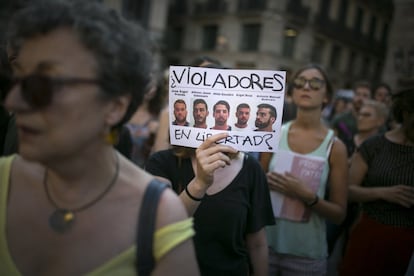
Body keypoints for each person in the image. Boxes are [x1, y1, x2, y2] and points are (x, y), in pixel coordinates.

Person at [0, 1, 199, 275]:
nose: (14, 101)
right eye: (17, 78)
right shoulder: (3, 181)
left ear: (114, 106)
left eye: (45, 84)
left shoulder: (159, 218)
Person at [145, 132, 275, 275]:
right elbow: (159, 227)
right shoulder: (161, 162)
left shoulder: (251, 168)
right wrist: (200, 183)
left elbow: (257, 244)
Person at [265, 64, 348, 275]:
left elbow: (339, 214)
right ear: (292, 93)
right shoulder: (272, 134)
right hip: (264, 248)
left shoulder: (335, 147)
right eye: (300, 82)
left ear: (327, 96)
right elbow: (255, 187)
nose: (306, 87)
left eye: (316, 83)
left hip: (306, 258)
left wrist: (306, 196)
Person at [339, 86, 414, 276]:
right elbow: (347, 190)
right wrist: (383, 193)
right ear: (405, 113)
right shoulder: (375, 146)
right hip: (370, 232)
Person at [126, 74, 167, 167]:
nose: (151, 89)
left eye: (154, 85)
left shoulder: (159, 114)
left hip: (144, 168)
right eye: (147, 84)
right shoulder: (124, 110)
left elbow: (159, 149)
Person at [331, 81, 372, 157]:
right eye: (358, 94)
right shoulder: (340, 119)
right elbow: (330, 144)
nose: (360, 98)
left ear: (370, 99)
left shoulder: (374, 123)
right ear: (353, 96)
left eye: (365, 95)